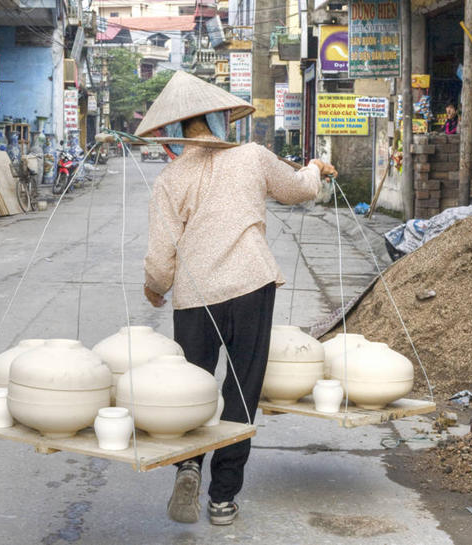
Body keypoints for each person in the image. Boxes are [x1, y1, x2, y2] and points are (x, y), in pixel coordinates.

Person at [137, 71, 337, 526]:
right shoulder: (252, 156)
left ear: (177, 132)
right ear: (218, 119)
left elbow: (160, 255)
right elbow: (298, 190)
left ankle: (188, 464)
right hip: (250, 287)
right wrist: (314, 167)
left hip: (194, 297)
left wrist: (155, 287)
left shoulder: (170, 179)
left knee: (192, 388)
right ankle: (223, 499)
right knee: (240, 392)